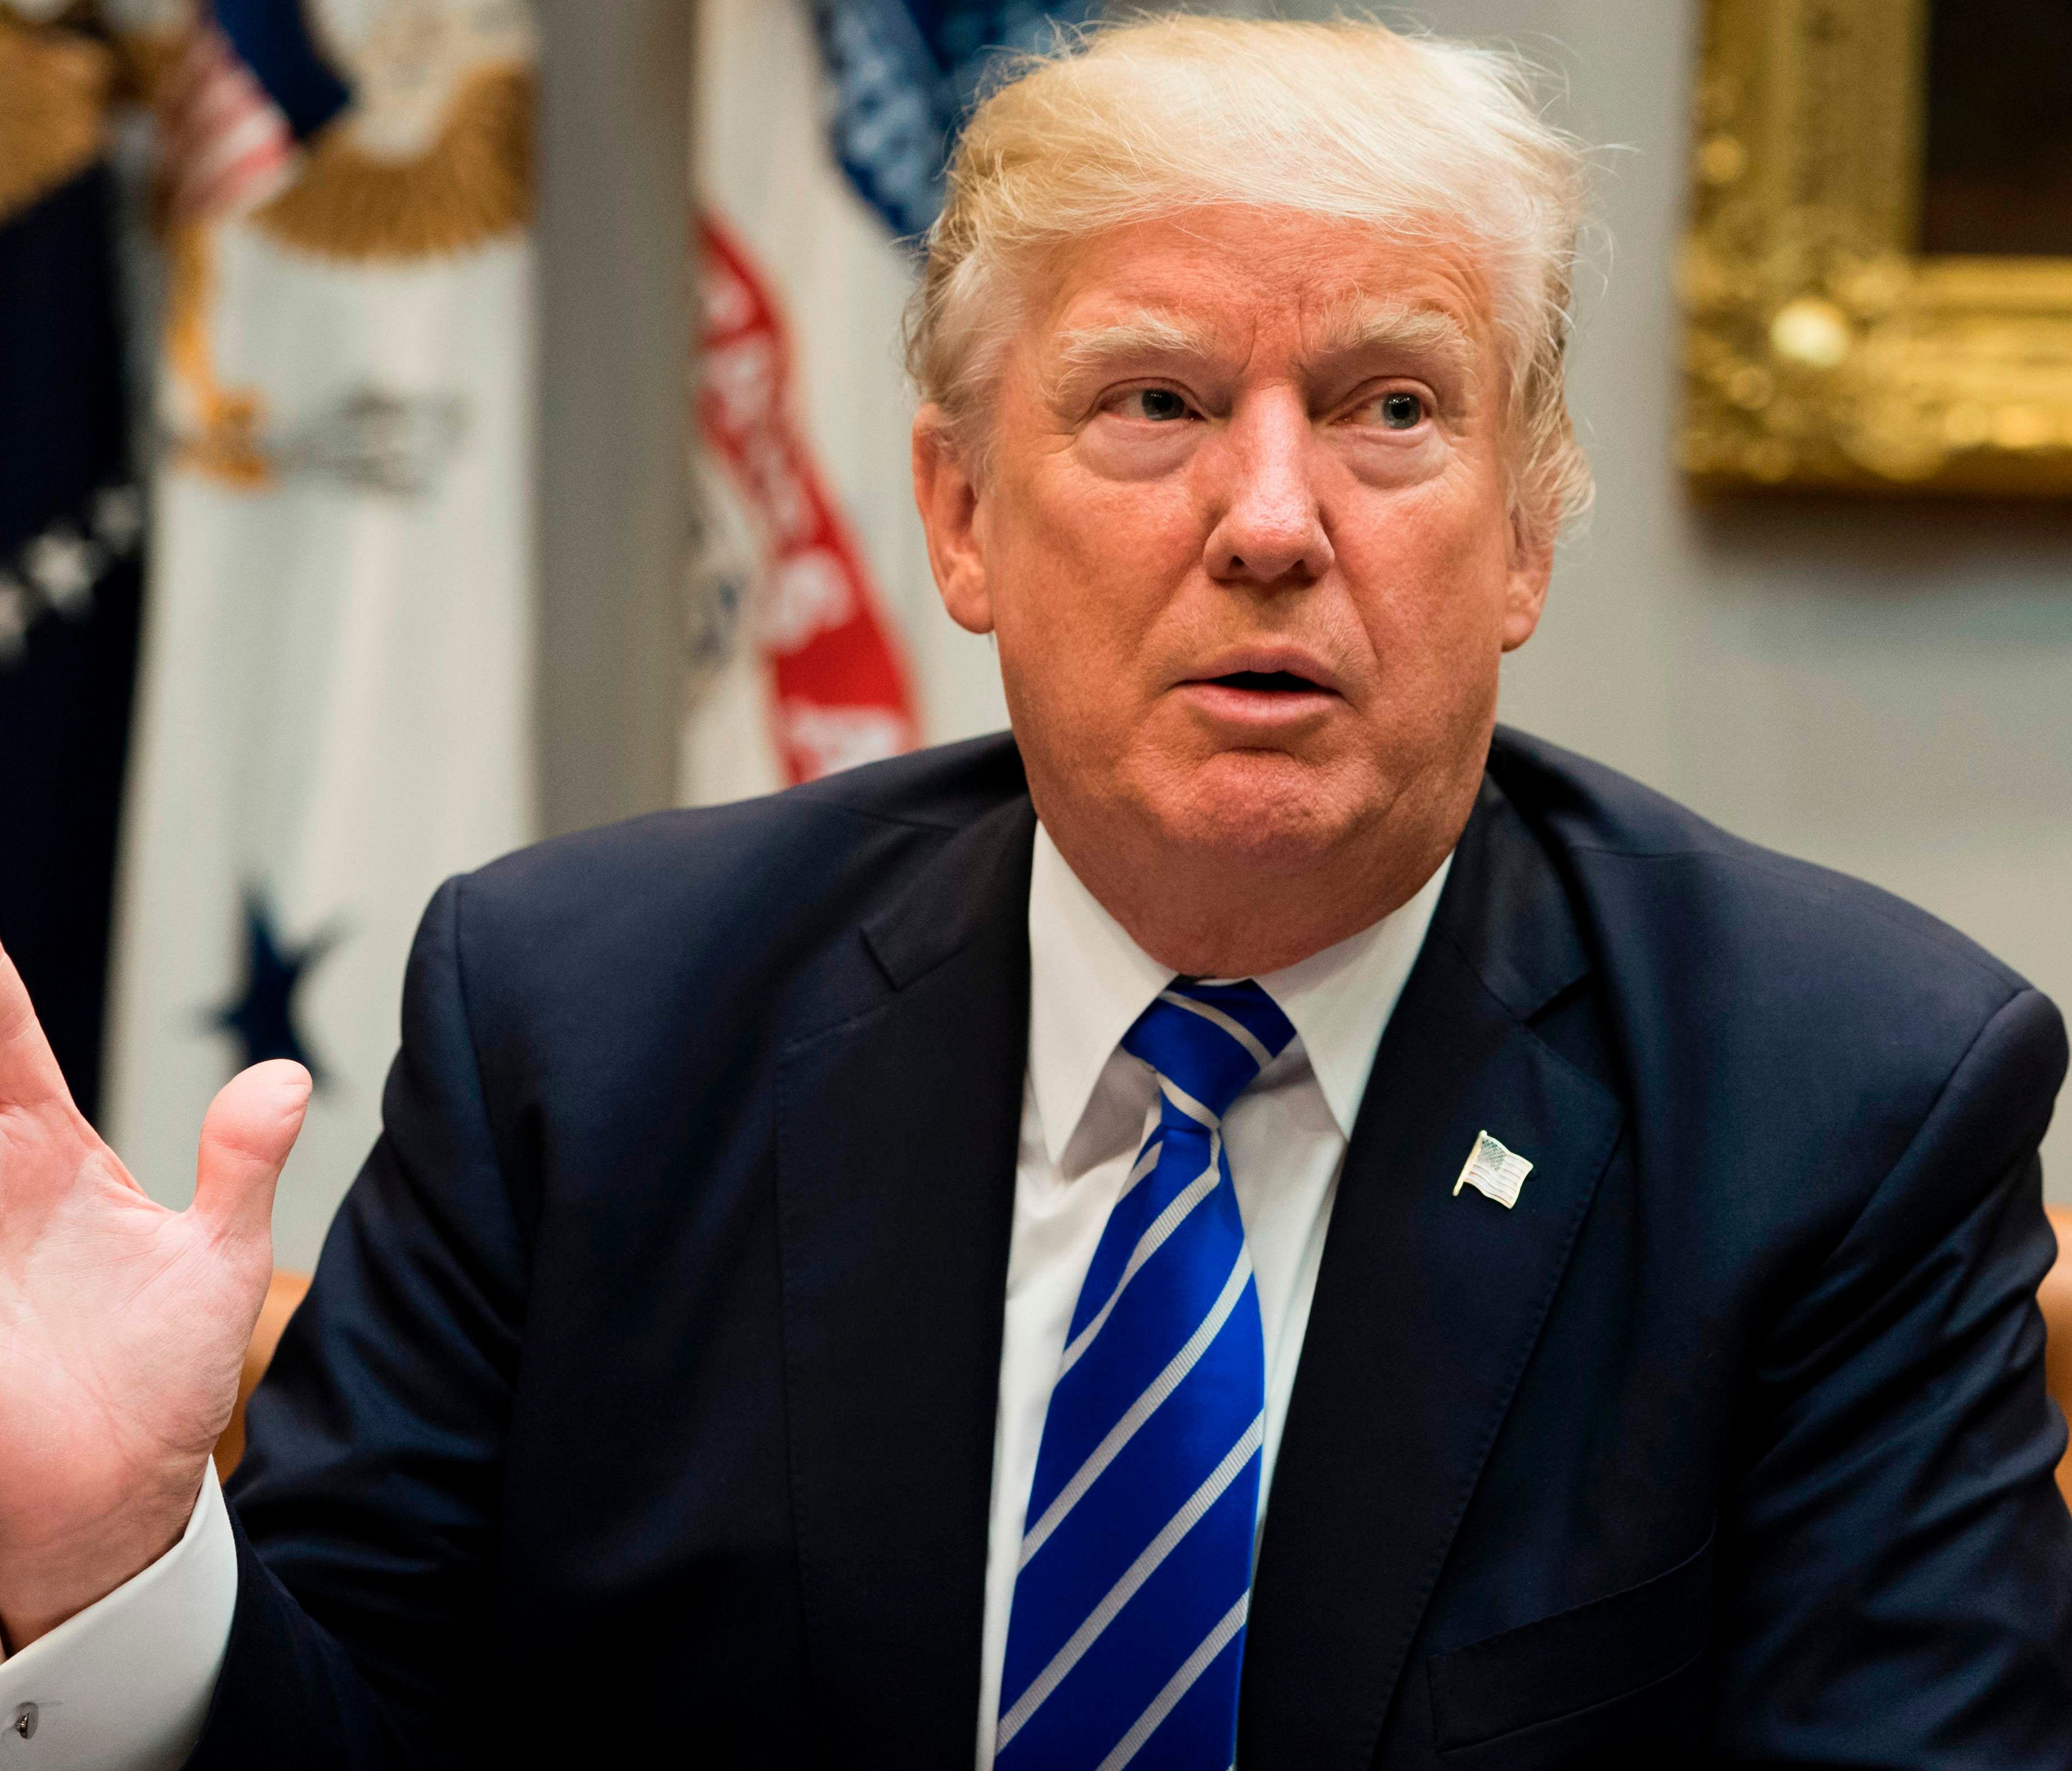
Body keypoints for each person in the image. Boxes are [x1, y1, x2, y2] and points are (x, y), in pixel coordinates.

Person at [2, 16, 2069, 1769]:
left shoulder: (1839, 1105)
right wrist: (105, 1565)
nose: (1273, 519)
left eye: (1392, 409)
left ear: (1524, 533)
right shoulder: (584, 1028)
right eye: (1157, 402)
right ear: (961, 512)